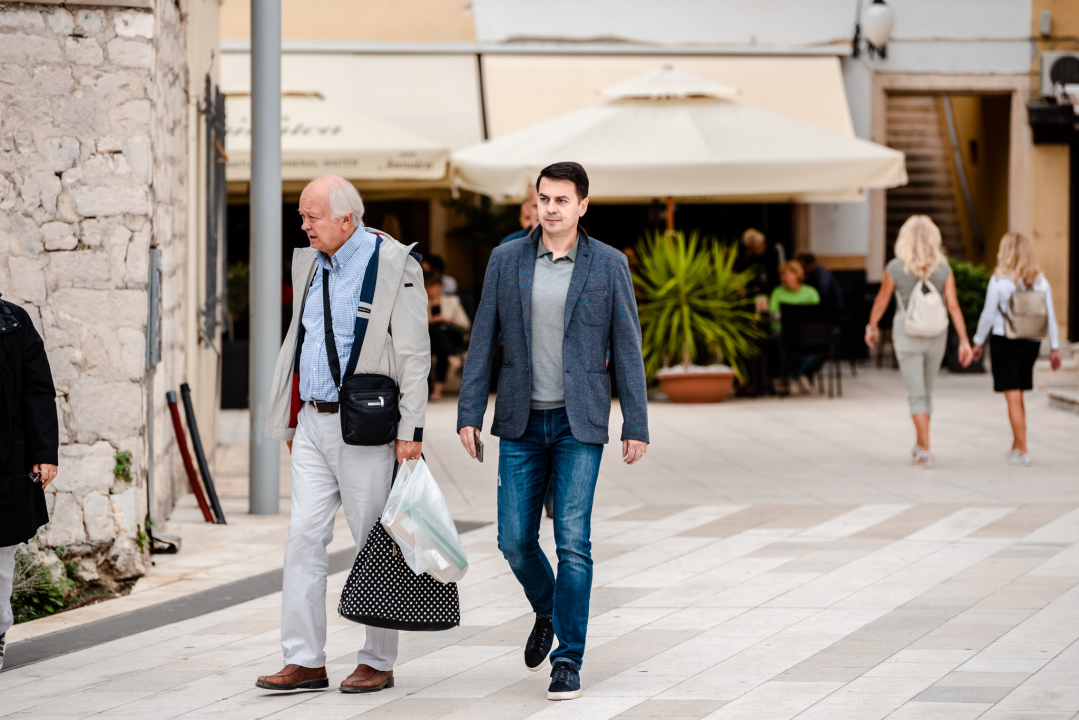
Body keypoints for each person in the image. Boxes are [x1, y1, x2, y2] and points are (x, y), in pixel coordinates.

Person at [456, 162, 649, 702]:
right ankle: (549, 608)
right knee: (514, 540)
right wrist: (469, 412)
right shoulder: (506, 259)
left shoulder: (608, 264)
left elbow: (627, 346)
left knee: (572, 542)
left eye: (562, 200)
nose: (551, 208)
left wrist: (636, 421)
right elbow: (482, 339)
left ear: (582, 206)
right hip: (520, 420)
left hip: (577, 422)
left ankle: (568, 660)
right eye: (544, 199)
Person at [259, 176, 429, 693]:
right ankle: (304, 659)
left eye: (311, 217)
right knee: (303, 538)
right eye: (302, 216)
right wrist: (291, 417)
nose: (304, 225)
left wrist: (411, 429)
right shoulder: (310, 263)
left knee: (373, 541)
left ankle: (378, 659)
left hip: (367, 426)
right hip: (312, 421)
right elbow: (300, 341)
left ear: (346, 219)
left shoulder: (394, 263)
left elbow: (414, 353)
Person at [865, 215, 973, 467]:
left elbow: (881, 302)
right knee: (926, 392)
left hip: (907, 334)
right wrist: (964, 340)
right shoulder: (944, 269)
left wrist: (872, 327)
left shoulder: (895, 268)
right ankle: (920, 442)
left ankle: (926, 449)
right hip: (937, 333)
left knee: (916, 394)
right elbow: (953, 306)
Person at [0, 295, 59, 672]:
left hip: (5, 459)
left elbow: (38, 390)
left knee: (0, 554)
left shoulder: (14, 322)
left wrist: (44, 453)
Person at [972, 233, 1062, 466]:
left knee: (1012, 396)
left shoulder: (999, 281)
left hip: (1005, 340)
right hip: (1031, 342)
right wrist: (1054, 347)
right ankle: (1016, 444)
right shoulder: (1041, 282)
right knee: (1018, 394)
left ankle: (1023, 450)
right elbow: (1051, 317)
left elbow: (988, 316)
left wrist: (978, 342)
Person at [768, 260, 821, 394]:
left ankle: (794, 376)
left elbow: (817, 314)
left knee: (815, 343)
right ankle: (798, 376)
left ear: (796, 274)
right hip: (783, 332)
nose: (783, 278)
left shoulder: (810, 292)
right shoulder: (778, 292)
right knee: (781, 342)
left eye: (786, 274)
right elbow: (773, 313)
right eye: (782, 275)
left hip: (806, 333)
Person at [425, 267, 471, 400]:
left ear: (440, 285)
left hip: (452, 335)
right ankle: (451, 358)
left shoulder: (452, 300)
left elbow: (465, 323)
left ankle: (449, 357)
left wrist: (446, 319)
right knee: (439, 338)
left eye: (432, 285)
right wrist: (433, 320)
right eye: (427, 286)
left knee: (441, 333)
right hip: (431, 339)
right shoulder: (422, 302)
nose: (429, 289)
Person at [739, 227, 785, 308]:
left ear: (762, 244)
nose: (751, 251)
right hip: (756, 295)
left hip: (774, 291)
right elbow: (747, 276)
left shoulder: (775, 249)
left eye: (753, 248)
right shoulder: (749, 255)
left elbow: (782, 270)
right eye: (749, 249)